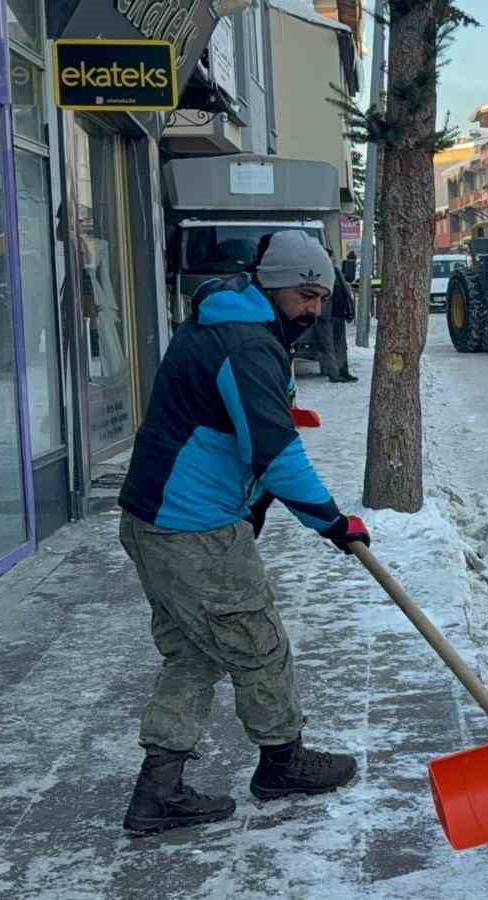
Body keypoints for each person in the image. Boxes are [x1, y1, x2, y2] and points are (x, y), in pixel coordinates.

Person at [116, 230, 372, 836]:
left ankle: (158, 792)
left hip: (156, 517)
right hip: (191, 527)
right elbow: (274, 451)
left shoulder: (230, 321)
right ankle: (282, 762)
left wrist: (253, 506)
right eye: (305, 294)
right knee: (259, 645)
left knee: (195, 653)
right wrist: (332, 522)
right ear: (275, 285)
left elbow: (233, 428)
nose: (313, 309)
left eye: (321, 297)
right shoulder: (246, 343)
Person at [316, 259, 357, 383]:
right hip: (325, 316)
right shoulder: (318, 273)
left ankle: (343, 371)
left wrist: (349, 309)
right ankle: (334, 373)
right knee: (328, 346)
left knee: (341, 345)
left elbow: (345, 292)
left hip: (338, 314)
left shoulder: (336, 272)